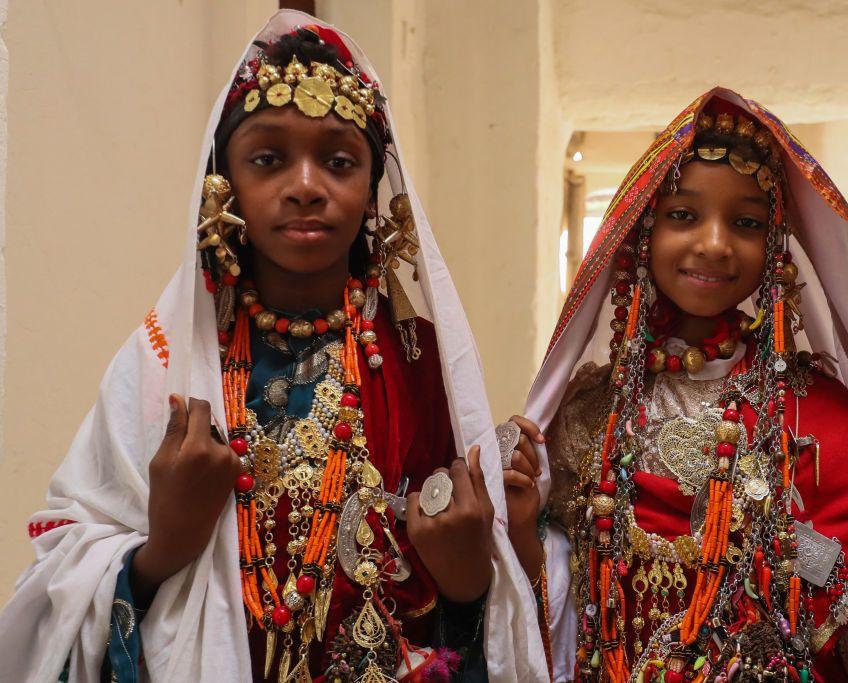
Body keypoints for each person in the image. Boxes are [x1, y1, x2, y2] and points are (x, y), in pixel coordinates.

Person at [0, 11, 545, 682]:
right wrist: (161, 548)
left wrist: (468, 584)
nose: (307, 185)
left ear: (375, 188)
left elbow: (478, 611)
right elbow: (61, 564)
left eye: (339, 161)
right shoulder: (163, 362)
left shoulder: (417, 363)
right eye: (268, 158)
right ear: (221, 185)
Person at [502, 88, 848, 681]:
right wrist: (521, 527)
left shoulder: (817, 424)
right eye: (683, 214)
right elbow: (556, 622)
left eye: (746, 222)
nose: (716, 243)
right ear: (641, 229)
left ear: (775, 246)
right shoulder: (589, 414)